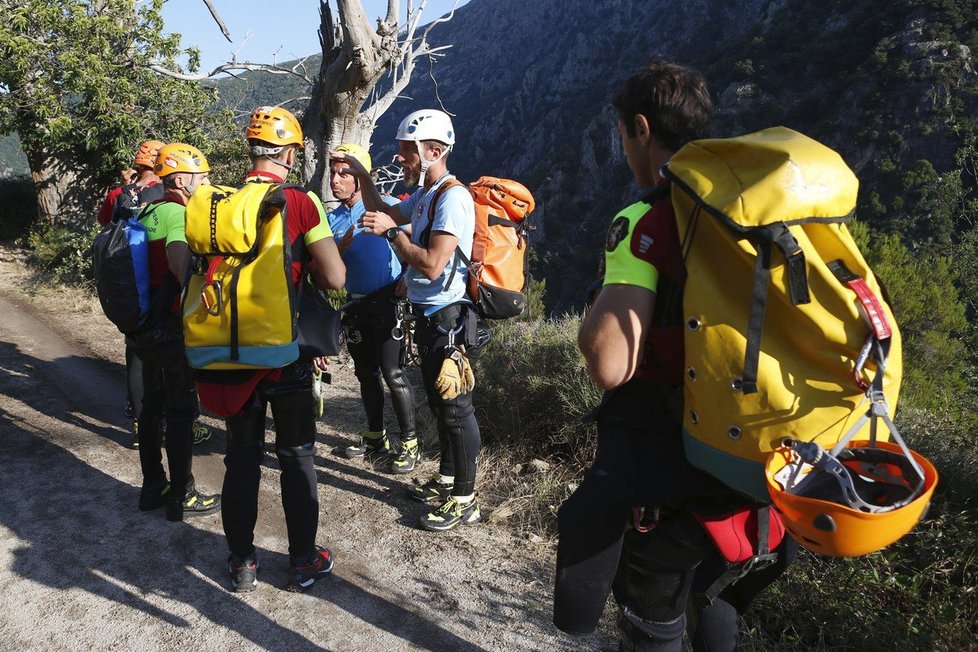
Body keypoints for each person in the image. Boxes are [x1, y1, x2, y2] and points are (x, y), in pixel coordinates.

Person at [553, 60, 795, 650]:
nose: (623, 147)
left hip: (673, 465)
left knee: (654, 611)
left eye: (623, 134)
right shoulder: (757, 219)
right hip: (758, 454)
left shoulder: (648, 220)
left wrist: (593, 324)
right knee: (711, 595)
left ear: (641, 128)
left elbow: (611, 364)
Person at [195, 106, 346, 593]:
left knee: (241, 458)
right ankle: (303, 560)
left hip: (232, 351)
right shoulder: (300, 203)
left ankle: (242, 563)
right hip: (287, 354)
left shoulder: (222, 204)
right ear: (288, 152)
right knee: (297, 455)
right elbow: (336, 277)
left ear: (252, 152)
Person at [332, 108, 483, 532]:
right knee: (440, 402)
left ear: (433, 151)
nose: (400, 158)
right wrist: (364, 179)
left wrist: (390, 234)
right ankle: (449, 480)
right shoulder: (427, 194)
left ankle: (465, 498)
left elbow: (434, 265)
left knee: (456, 408)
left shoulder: (452, 197)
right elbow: (384, 209)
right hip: (431, 315)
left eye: (406, 151)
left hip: (449, 316)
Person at [130, 142, 222, 523]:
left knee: (151, 407)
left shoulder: (146, 209)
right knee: (181, 411)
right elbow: (179, 268)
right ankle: (183, 494)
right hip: (169, 327)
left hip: (142, 324)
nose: (205, 184)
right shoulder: (175, 214)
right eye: (201, 178)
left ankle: (153, 487)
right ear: (182, 179)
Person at [325, 143, 417, 470]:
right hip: (355, 307)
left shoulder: (388, 207)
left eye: (344, 174)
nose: (335, 180)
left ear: (360, 177)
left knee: (393, 374)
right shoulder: (330, 217)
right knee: (365, 374)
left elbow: (419, 243)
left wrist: (412, 273)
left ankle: (409, 443)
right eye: (333, 173)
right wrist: (339, 246)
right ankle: (375, 436)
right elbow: (321, 263)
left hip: (386, 303)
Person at [97, 140, 165, 430]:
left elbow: (104, 221)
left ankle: (140, 422)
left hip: (128, 284)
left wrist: (125, 186)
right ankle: (173, 420)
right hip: (160, 282)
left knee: (136, 351)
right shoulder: (166, 194)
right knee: (168, 356)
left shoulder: (118, 194)